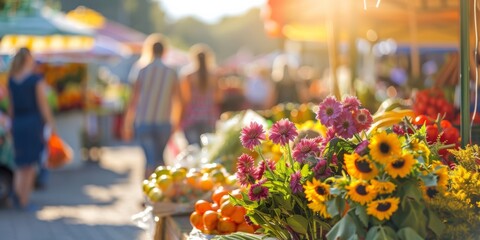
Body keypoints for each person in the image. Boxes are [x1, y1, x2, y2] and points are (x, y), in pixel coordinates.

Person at [124, 37, 181, 178]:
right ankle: (163, 194)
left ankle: (147, 193)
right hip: (164, 121)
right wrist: (176, 121)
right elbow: (177, 100)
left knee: (149, 160)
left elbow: (133, 99)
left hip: (144, 120)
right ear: (164, 51)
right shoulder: (171, 71)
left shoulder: (141, 69)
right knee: (160, 159)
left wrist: (127, 123)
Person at [7, 47, 56, 210]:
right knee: (30, 164)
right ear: (29, 60)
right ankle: (24, 200)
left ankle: (17, 195)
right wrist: (51, 124)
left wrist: (10, 127)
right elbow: (43, 106)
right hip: (32, 123)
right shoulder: (35, 80)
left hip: (18, 124)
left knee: (21, 163)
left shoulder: (11, 81)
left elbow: (11, 109)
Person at [180, 44, 222, 146]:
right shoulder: (215, 75)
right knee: (207, 150)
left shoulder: (188, 75)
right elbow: (219, 97)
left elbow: (185, 98)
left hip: (191, 117)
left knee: (193, 149)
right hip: (209, 117)